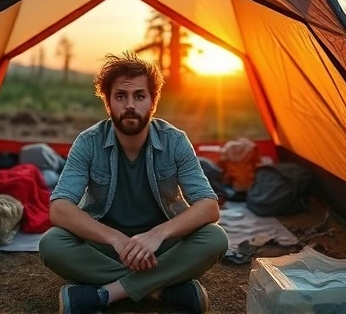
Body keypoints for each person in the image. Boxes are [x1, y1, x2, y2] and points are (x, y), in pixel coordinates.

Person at [39, 52, 228, 314]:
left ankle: (105, 294)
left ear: (153, 101)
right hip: (105, 246)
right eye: (120, 96)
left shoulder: (175, 141)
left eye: (139, 96)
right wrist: (115, 238)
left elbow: (208, 206)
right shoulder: (88, 142)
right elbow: (59, 208)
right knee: (52, 244)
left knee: (215, 237)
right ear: (108, 103)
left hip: (160, 247)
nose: (130, 105)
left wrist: (157, 234)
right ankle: (160, 290)